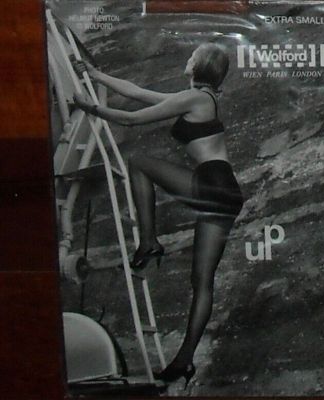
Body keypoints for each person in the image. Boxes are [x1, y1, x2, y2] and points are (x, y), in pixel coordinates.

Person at [73, 43, 244, 387]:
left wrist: (88, 107)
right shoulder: (198, 98)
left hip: (212, 183)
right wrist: (95, 75)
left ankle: (150, 242)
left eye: (192, 56)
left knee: (138, 163)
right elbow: (138, 93)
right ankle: (184, 360)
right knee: (202, 281)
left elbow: (131, 118)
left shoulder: (196, 98)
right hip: (224, 192)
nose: (188, 58)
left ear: (200, 65)